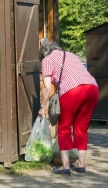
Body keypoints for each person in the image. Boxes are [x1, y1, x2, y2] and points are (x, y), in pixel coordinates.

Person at [38, 41, 99, 175]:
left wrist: (43, 106)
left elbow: (47, 87)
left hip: (73, 91)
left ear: (43, 54)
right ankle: (81, 165)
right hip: (92, 88)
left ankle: (65, 166)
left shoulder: (47, 60)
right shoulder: (71, 55)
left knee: (64, 127)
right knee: (81, 127)